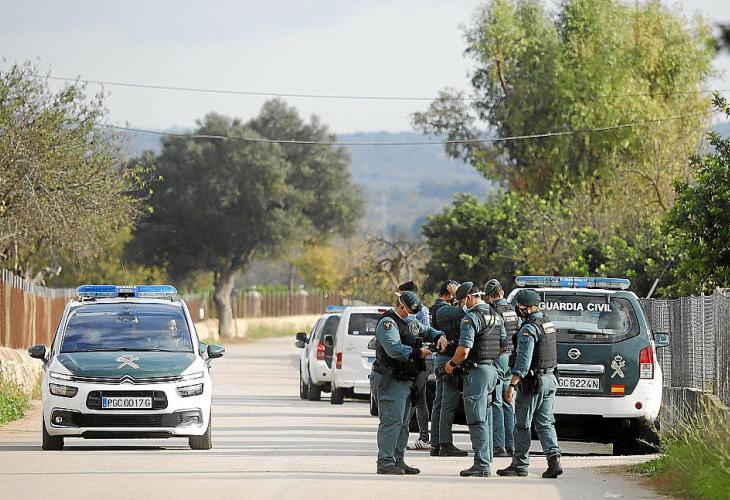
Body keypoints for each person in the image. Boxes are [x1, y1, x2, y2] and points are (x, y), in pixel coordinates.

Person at [372, 290, 447, 475]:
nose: (411, 315)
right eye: (409, 311)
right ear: (401, 306)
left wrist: (438, 336)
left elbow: (426, 330)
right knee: (392, 422)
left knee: (404, 423)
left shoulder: (410, 321)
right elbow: (394, 349)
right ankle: (385, 461)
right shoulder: (388, 323)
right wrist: (418, 353)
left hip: (407, 379)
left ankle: (398, 460)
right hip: (391, 379)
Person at [497, 289, 563, 479]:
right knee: (545, 422)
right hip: (550, 379)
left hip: (533, 383)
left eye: (521, 307)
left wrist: (512, 385)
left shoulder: (529, 329)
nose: (519, 310)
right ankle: (554, 461)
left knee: (522, 425)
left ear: (531, 307)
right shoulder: (547, 322)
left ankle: (519, 465)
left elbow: (523, 362)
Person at [444, 282, 504, 477]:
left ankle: (481, 465)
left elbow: (464, 350)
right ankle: (487, 458)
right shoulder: (496, 315)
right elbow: (504, 344)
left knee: (477, 419)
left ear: (469, 298)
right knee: (486, 417)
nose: (461, 305)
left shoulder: (471, 318)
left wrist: (451, 364)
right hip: (492, 369)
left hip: (477, 372)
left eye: (461, 301)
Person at [429, 280, 469, 457]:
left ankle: (437, 443)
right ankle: (445, 443)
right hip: (447, 360)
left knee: (440, 402)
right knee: (447, 403)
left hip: (445, 358)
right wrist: (461, 295)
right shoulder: (443, 309)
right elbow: (464, 311)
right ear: (451, 293)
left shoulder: (444, 308)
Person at [484, 279, 518, 457]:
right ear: (502, 292)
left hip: (497, 357)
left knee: (496, 402)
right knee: (508, 401)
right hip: (511, 358)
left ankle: (498, 446)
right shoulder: (513, 310)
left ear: (489, 296)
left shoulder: (493, 311)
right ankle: (510, 445)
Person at [398, 281, 432, 451]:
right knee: (417, 399)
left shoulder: (421, 312)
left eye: (401, 296)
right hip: (412, 358)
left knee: (416, 398)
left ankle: (423, 437)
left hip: (421, 359)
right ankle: (420, 436)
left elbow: (426, 333)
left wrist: (418, 352)